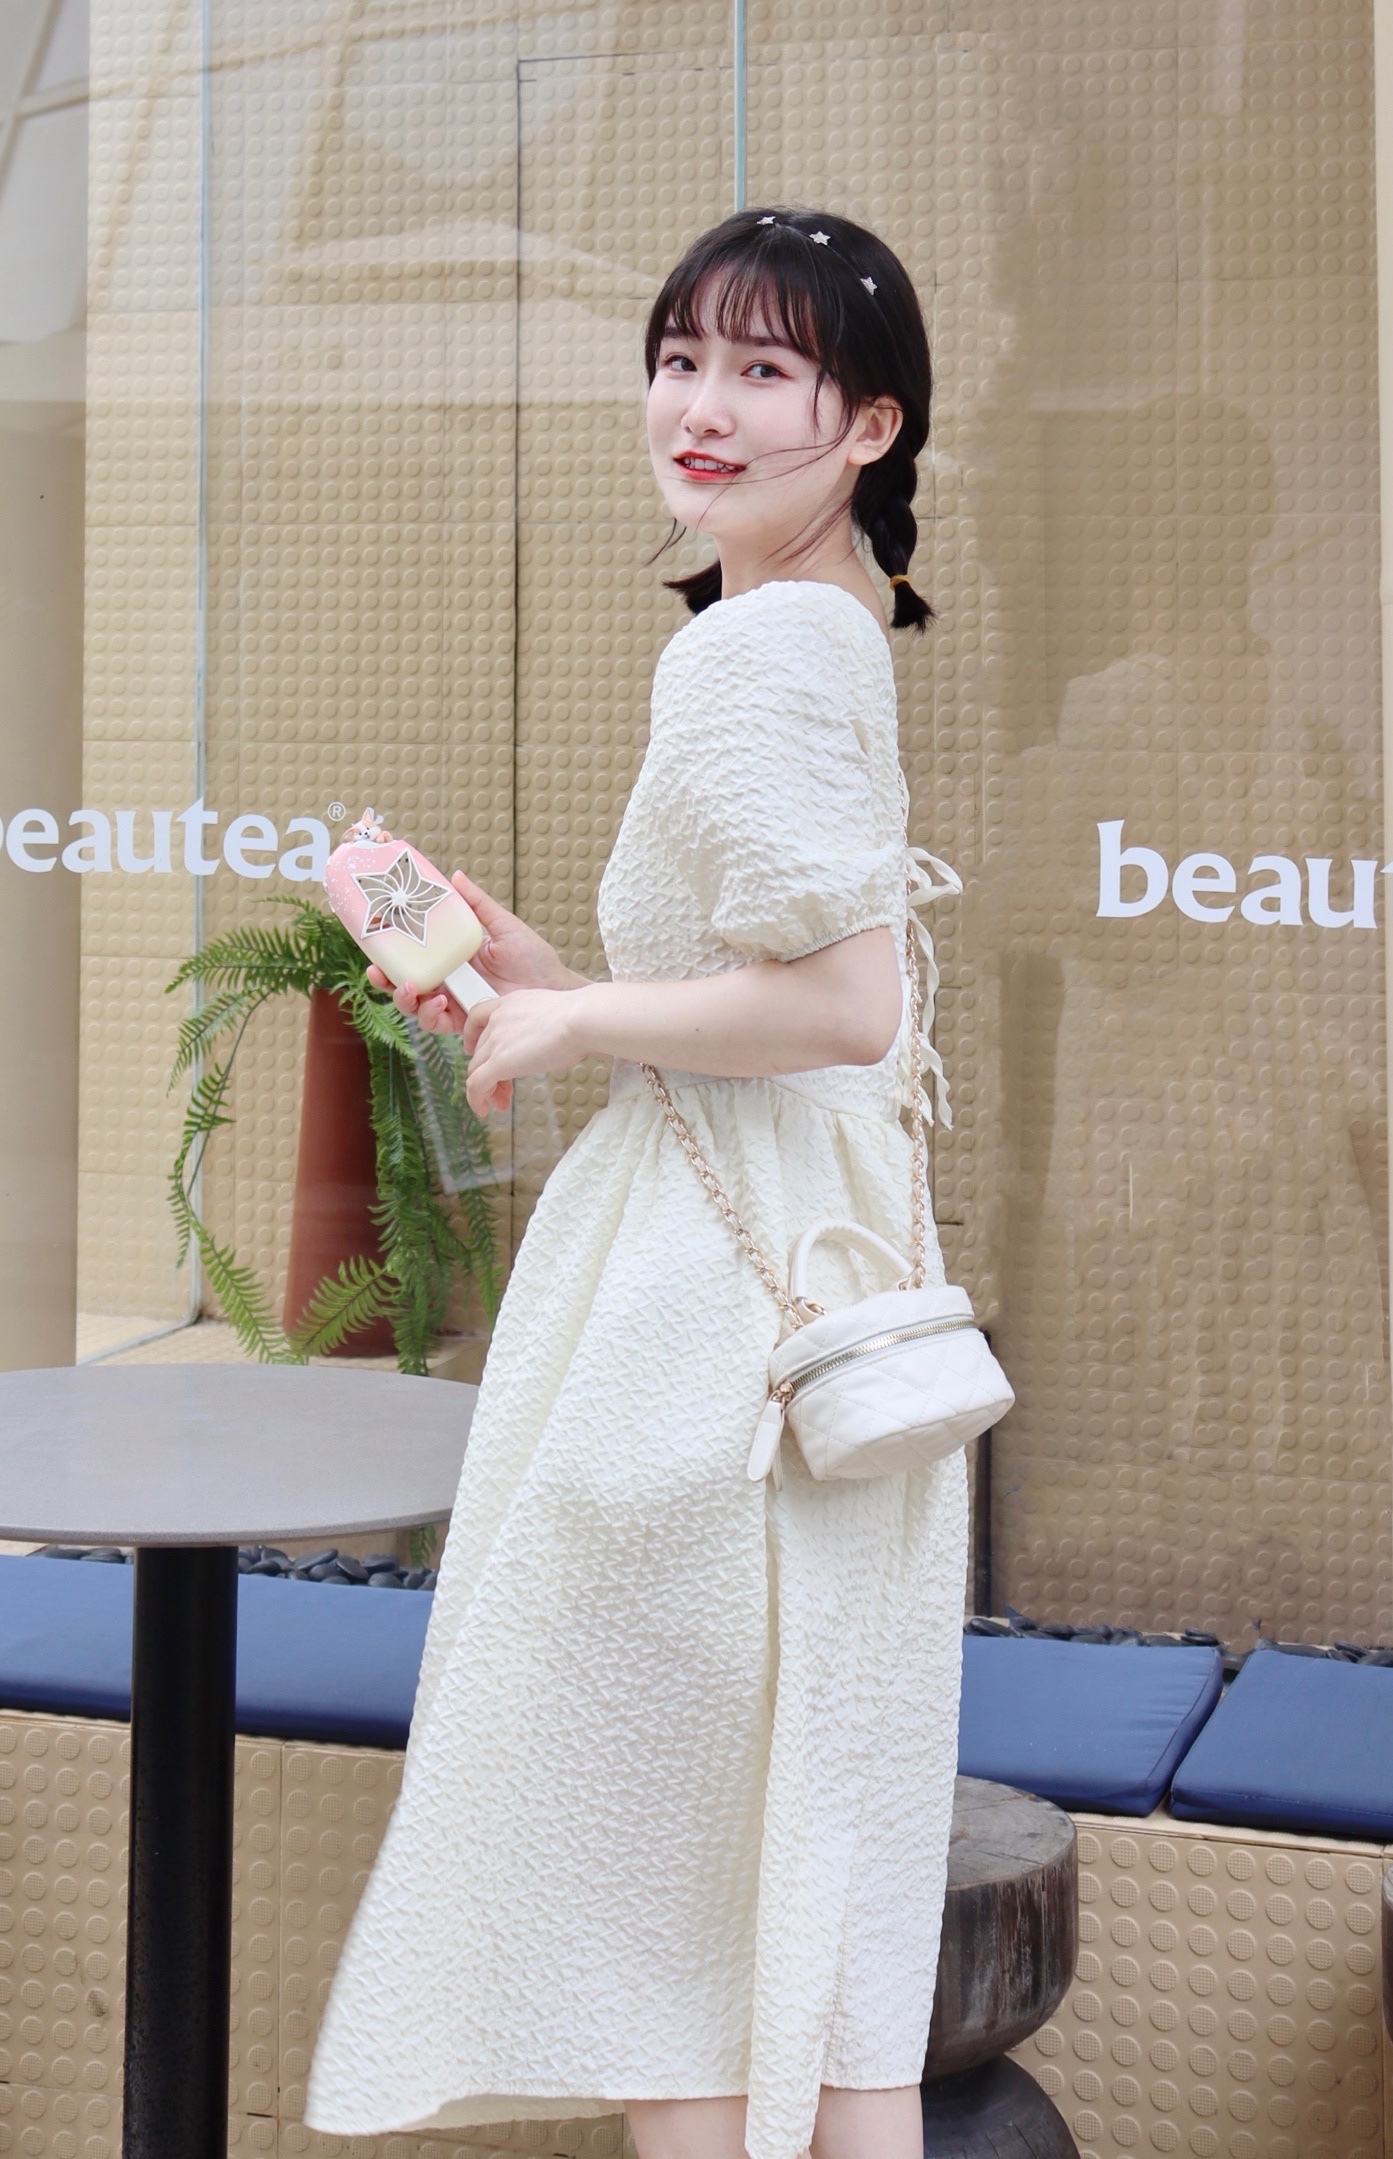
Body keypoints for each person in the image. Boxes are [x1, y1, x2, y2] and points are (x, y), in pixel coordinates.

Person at [305, 207, 967, 2159]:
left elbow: (843, 1002)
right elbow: (805, 999)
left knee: (662, 1919)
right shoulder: (821, 621)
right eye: (681, 358)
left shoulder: (753, 650)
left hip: (706, 1332)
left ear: (868, 424)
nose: (701, 406)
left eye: (764, 371)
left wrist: (576, 1020)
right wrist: (551, 983)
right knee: (805, 1903)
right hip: (809, 1286)